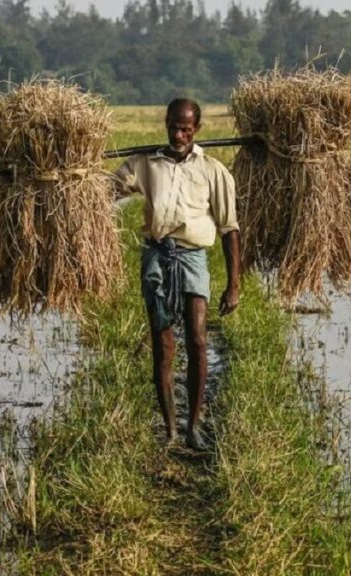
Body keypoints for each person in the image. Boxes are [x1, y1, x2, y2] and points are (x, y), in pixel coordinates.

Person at [113, 98, 241, 451]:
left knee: (198, 340)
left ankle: (194, 428)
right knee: (163, 344)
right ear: (166, 123)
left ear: (197, 129)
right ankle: (171, 430)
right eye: (173, 126)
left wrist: (234, 284)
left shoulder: (213, 171)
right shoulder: (145, 164)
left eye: (186, 128)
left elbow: (230, 228)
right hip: (156, 257)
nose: (178, 133)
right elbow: (107, 191)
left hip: (193, 258)